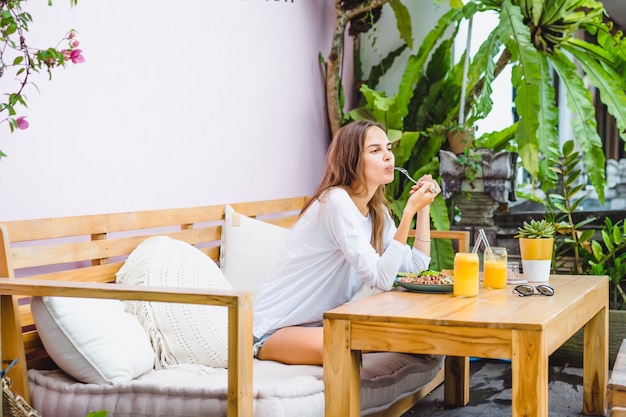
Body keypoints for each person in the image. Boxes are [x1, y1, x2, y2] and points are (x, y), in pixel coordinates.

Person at [252, 120, 440, 365]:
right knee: (373, 343)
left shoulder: (376, 211)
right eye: (375, 150)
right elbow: (381, 279)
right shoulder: (336, 202)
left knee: (413, 338)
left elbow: (417, 268)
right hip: (274, 328)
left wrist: (422, 209)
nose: (387, 156)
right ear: (352, 160)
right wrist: (408, 215)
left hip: (321, 325)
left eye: (389, 148)